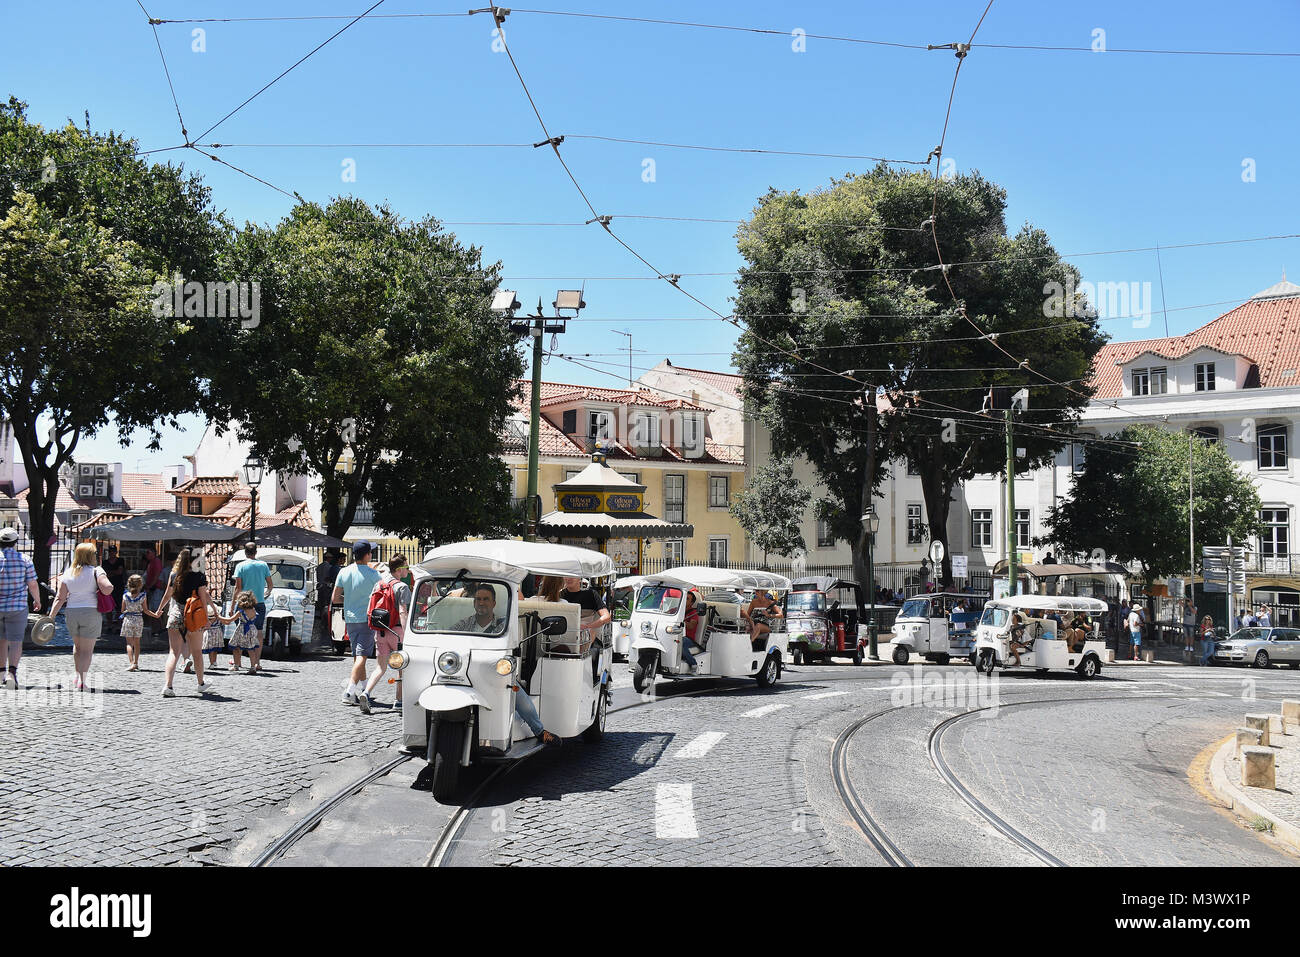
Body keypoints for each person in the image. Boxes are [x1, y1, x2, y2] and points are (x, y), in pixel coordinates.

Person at [47, 543, 116, 691]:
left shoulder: (68, 572)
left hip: (72, 612)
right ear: (90, 556)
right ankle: (82, 681)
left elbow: (60, 598)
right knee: (87, 650)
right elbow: (108, 588)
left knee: (77, 647)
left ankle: (77, 676)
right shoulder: (96, 570)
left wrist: (51, 616)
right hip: (90, 612)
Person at [152, 550, 215, 697]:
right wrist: (206, 619)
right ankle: (200, 683)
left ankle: (168, 686)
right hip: (193, 616)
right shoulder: (199, 576)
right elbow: (202, 599)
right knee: (197, 652)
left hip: (176, 614)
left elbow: (167, 595)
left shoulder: (174, 575)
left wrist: (159, 610)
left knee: (173, 652)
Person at [358, 555, 412, 713]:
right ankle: (398, 701)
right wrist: (407, 632)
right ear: (399, 569)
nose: (408, 570)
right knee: (402, 668)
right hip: (396, 632)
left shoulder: (378, 584)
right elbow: (402, 611)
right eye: (406, 568)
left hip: (381, 631)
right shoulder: (402, 587)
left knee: (380, 668)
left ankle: (366, 693)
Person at [334, 541, 382, 706]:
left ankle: (363, 687)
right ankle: (349, 691)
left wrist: (349, 600)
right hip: (367, 619)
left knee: (357, 655)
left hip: (350, 618)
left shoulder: (344, 572)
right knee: (362, 656)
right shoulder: (374, 575)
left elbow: (335, 598)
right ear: (367, 555)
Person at [0, 527, 41, 690]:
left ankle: (0, 674)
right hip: (17, 606)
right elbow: (32, 584)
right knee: (16, 641)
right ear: (15, 542)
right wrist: (37, 600)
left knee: (1, 641)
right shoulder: (24, 559)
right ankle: (12, 673)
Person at [232, 543, 273, 675]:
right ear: (256, 552)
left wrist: (233, 605)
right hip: (259, 602)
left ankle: (238, 662)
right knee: (258, 632)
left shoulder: (240, 566)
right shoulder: (263, 565)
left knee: (241, 630)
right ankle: (257, 662)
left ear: (245, 552)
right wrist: (266, 593)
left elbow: (238, 588)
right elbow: (270, 584)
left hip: (244, 603)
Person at [219, 591, 262, 669]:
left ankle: (236, 665)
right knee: (251, 649)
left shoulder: (241, 612)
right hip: (252, 630)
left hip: (241, 630)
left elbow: (229, 620)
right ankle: (253, 667)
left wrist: (218, 617)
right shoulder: (253, 610)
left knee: (235, 647)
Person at [120, 574, 147, 671]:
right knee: (137, 643)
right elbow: (146, 610)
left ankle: (131, 663)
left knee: (129, 643)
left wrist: (127, 611)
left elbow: (122, 610)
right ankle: (136, 662)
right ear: (140, 585)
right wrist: (156, 615)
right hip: (138, 620)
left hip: (128, 620)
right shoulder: (143, 596)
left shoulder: (125, 596)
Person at [315, 551, 341, 642]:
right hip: (326, 587)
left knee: (321, 605)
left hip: (319, 587)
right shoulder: (328, 567)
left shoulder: (319, 566)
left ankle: (323, 621)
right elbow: (327, 578)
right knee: (326, 605)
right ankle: (325, 622)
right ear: (329, 558)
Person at [101, 545, 126, 627]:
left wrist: (110, 573)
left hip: (119, 587)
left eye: (114, 551)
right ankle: (109, 625)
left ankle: (119, 626)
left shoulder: (120, 560)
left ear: (116, 552)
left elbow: (120, 572)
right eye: (111, 551)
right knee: (109, 608)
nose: (112, 553)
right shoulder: (105, 562)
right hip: (108, 587)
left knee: (119, 607)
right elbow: (105, 574)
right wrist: (114, 572)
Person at [143, 548, 164, 636]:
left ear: (153, 553)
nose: (147, 554)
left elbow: (156, 575)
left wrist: (150, 586)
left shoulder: (156, 561)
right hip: (152, 589)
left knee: (155, 609)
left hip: (156, 589)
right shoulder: (151, 562)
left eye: (148, 552)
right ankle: (155, 629)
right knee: (152, 609)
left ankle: (160, 628)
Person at [680, 591, 702, 673]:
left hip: (688, 638)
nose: (684, 600)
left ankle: (693, 664)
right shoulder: (676, 611)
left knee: (680, 642)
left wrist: (680, 621)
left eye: (687, 599)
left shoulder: (694, 613)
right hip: (674, 634)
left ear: (692, 602)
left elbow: (691, 626)